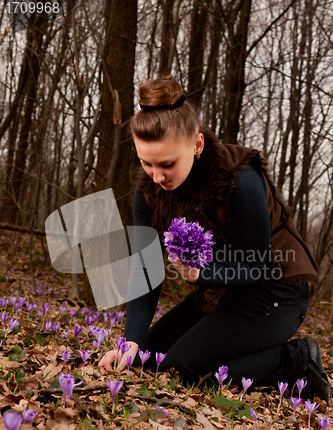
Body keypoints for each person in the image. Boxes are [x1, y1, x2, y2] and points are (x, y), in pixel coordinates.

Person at [98, 75, 332, 402]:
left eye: (167, 164)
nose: (157, 176)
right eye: (145, 162)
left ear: (196, 145)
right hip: (220, 290)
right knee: (147, 361)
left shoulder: (239, 179)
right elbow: (145, 271)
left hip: (275, 289)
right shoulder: (149, 192)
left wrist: (200, 273)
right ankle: (241, 356)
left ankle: (296, 360)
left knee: (180, 371)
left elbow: (254, 267)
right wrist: (131, 342)